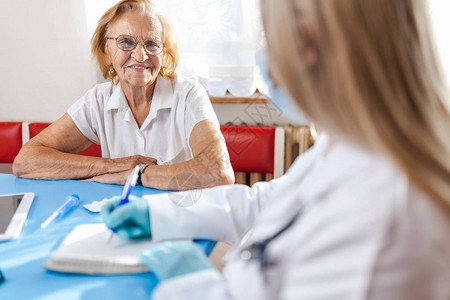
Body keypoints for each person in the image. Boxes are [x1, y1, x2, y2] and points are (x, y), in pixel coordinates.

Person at [101, 0, 450, 299]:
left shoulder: (381, 207)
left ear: (308, 45)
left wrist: (192, 283)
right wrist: (161, 215)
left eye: (269, 36)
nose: (264, 57)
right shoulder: (349, 144)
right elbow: (266, 203)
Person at [12, 0, 234, 191]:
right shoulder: (98, 99)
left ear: (164, 54)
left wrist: (138, 175)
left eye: (151, 44)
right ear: (105, 52)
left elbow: (218, 171)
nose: (140, 54)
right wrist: (114, 165)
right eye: (126, 42)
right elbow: (26, 161)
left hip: (181, 217)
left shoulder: (188, 95)